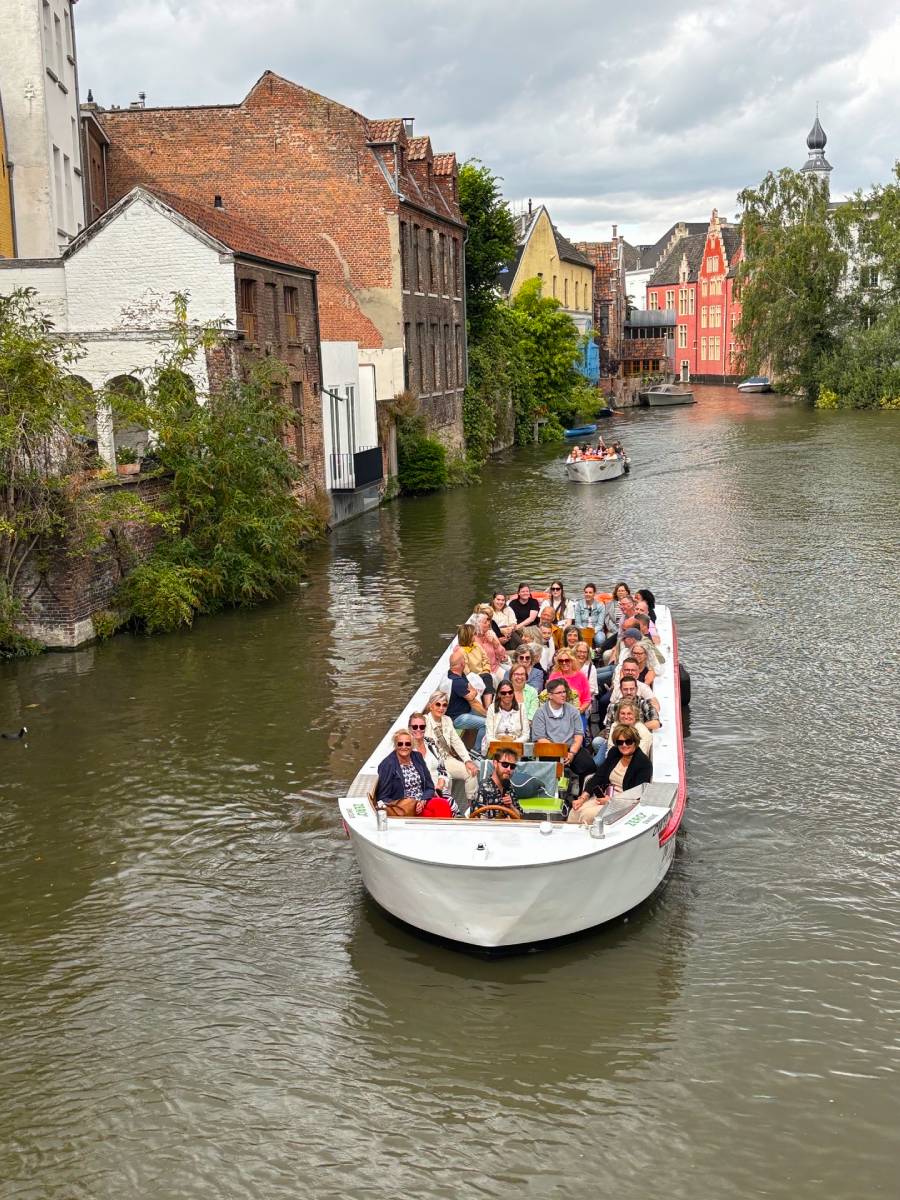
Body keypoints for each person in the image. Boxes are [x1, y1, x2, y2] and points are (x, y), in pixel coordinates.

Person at [567, 724, 654, 825]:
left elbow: (637, 795)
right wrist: (582, 798)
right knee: (575, 810)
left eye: (628, 741)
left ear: (635, 742)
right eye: (620, 742)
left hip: (623, 803)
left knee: (587, 815)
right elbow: (599, 776)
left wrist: (612, 801)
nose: (624, 745)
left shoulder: (643, 763)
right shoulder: (614, 753)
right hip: (605, 796)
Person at [376, 729, 453, 818]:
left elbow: (429, 786)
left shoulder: (417, 757)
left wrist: (423, 800)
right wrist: (409, 803)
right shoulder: (387, 765)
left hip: (422, 802)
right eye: (400, 744)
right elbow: (383, 797)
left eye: (407, 744)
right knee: (432, 815)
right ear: (395, 745)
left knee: (443, 804)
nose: (404, 747)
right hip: (404, 808)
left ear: (412, 745)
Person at [530, 678, 596, 778]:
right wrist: (560, 752)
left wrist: (572, 753)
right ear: (550, 695)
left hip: (570, 748)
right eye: (559, 692)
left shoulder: (573, 710)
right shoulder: (540, 713)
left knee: (589, 765)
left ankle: (582, 791)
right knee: (550, 768)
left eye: (564, 692)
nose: (563, 695)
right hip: (550, 749)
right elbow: (540, 739)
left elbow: (578, 735)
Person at [424, 691, 479, 803]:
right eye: (438, 704)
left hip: (447, 759)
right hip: (432, 763)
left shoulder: (447, 720)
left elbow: (456, 742)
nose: (441, 708)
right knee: (446, 780)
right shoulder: (424, 721)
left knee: (471, 773)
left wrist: (467, 760)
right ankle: (448, 811)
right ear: (431, 706)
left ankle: (472, 806)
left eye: (444, 705)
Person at [408, 710, 459, 815]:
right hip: (421, 792)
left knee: (452, 806)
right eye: (415, 727)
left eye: (422, 727)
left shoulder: (430, 743)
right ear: (409, 728)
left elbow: (442, 768)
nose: (418, 729)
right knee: (447, 805)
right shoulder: (407, 748)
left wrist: (440, 783)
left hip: (438, 787)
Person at [591, 699, 652, 764]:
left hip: (633, 762)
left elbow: (641, 757)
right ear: (618, 715)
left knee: (597, 763)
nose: (626, 717)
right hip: (617, 755)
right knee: (597, 742)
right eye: (623, 713)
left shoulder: (642, 731)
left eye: (629, 713)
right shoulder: (615, 725)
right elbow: (611, 747)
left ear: (635, 715)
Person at [445, 649, 488, 739]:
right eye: (464, 660)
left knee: (482, 713)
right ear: (462, 664)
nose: (465, 662)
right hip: (457, 718)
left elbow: (473, 692)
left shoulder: (459, 674)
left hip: (466, 710)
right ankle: (477, 751)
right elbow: (473, 702)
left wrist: (473, 693)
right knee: (487, 724)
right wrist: (488, 715)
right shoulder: (457, 682)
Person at [471, 749, 523, 819]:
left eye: (512, 766)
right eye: (505, 764)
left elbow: (520, 818)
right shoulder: (482, 789)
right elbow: (476, 821)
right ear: (495, 763)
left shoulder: (509, 786)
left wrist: (511, 807)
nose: (508, 769)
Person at [484, 682, 530, 746]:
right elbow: (489, 736)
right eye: (503, 693)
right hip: (497, 747)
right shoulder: (492, 708)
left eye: (510, 692)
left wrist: (512, 745)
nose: (507, 695)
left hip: (516, 746)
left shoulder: (522, 708)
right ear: (499, 694)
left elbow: (526, 735)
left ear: (513, 693)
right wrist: (502, 745)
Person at [547, 649, 591, 713]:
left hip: (577, 711)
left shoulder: (581, 676)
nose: (564, 663)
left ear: (572, 661)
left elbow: (587, 700)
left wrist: (579, 711)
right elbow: (549, 696)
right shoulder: (554, 676)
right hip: (557, 712)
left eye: (567, 660)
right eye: (561, 661)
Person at [472, 609, 509, 681]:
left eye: (488, 621)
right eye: (485, 622)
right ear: (477, 625)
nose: (489, 623)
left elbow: (502, 655)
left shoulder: (490, 633)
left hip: (496, 668)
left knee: (511, 676)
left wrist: (495, 643)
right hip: (483, 672)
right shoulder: (472, 639)